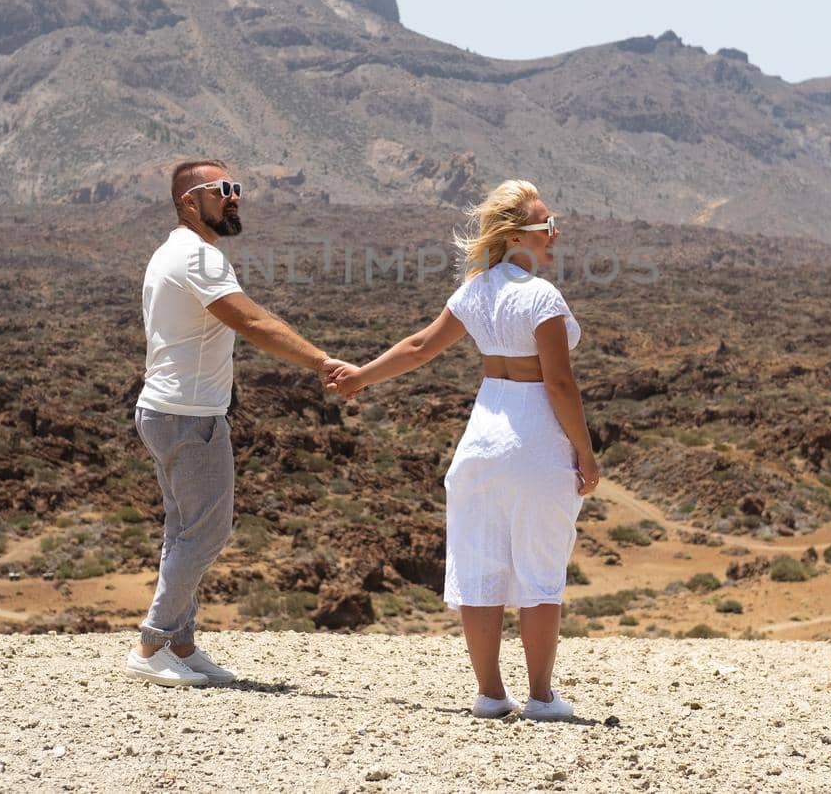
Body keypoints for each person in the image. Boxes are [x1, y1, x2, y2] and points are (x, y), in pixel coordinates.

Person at [329, 180, 600, 720]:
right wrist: (586, 454)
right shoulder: (541, 296)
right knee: (539, 569)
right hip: (534, 441)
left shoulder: (476, 289)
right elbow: (559, 386)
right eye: (547, 227)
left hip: (480, 439)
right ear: (517, 236)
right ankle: (542, 697)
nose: (556, 234)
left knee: (481, 568)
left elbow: (419, 347)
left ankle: (489, 695)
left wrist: (361, 377)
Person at [125, 158, 350, 687]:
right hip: (188, 416)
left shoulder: (174, 251)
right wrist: (322, 362)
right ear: (189, 201)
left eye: (236, 188)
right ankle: (152, 643)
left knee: (184, 530)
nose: (234, 197)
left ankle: (180, 643)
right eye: (222, 189)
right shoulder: (197, 257)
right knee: (207, 533)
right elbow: (252, 321)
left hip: (166, 410)